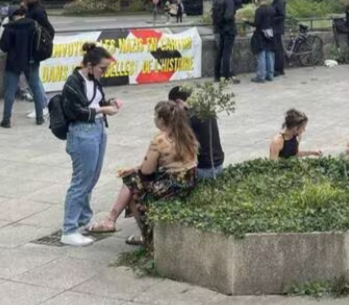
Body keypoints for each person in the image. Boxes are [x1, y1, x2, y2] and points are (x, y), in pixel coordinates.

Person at [115, 102, 199, 249]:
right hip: (189, 181)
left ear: (161, 120)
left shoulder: (159, 140)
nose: (153, 118)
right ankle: (111, 218)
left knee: (131, 183)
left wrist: (136, 170)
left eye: (155, 115)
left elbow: (146, 171)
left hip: (172, 186)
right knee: (134, 176)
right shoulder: (187, 134)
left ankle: (147, 236)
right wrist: (135, 168)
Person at [60, 43, 120, 247]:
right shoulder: (73, 82)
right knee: (81, 180)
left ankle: (83, 220)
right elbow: (75, 112)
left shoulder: (92, 80)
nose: (104, 72)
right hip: (82, 132)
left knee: (91, 178)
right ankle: (69, 229)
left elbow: (96, 102)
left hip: (98, 129)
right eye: (102, 68)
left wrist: (109, 103)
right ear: (89, 65)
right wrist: (103, 110)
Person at [0, 8, 47, 127]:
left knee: (10, 90)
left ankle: (6, 120)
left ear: (13, 16)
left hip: (13, 62)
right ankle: (40, 117)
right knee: (35, 88)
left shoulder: (10, 28)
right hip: (32, 61)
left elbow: (4, 47)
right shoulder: (34, 25)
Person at [168, 86, 226, 180]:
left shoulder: (188, 118)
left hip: (204, 170)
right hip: (218, 165)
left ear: (178, 102)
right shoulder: (206, 109)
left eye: (172, 107)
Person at [249, 0, 276, 84]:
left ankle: (261, 76)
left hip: (260, 34)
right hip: (270, 33)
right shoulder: (271, 9)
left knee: (261, 55)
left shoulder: (259, 10)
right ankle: (270, 74)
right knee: (269, 54)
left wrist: (246, 21)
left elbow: (256, 23)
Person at [211, 0, 237, 82]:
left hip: (220, 29)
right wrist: (234, 17)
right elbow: (228, 16)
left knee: (220, 53)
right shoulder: (229, 1)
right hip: (229, 30)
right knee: (227, 53)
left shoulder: (219, 1)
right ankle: (226, 75)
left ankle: (217, 75)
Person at [270, 0, 287, 77]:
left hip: (278, 28)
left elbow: (282, 16)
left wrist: (272, 19)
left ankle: (279, 69)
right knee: (277, 49)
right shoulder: (275, 2)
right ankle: (278, 68)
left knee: (278, 49)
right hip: (275, 28)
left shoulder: (279, 2)